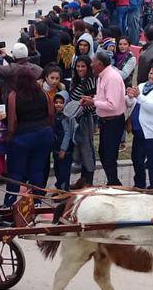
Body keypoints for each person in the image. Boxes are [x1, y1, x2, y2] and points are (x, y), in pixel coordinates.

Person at [2, 67, 54, 206]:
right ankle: (37, 201)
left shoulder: (14, 96)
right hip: (43, 135)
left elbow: (12, 120)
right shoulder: (43, 93)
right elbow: (50, 113)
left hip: (22, 138)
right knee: (37, 170)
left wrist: (10, 136)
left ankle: (11, 201)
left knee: (16, 172)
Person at [81, 49, 126, 186]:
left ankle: (115, 184)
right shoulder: (102, 76)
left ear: (100, 63)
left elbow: (112, 104)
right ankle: (113, 182)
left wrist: (93, 102)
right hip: (106, 122)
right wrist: (93, 98)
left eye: (93, 62)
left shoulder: (111, 78)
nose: (91, 65)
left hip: (113, 122)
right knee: (104, 153)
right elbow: (104, 98)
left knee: (109, 156)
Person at [69, 55, 97, 184]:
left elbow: (93, 105)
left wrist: (79, 110)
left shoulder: (91, 81)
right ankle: (83, 179)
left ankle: (88, 181)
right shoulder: (76, 80)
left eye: (83, 66)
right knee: (79, 149)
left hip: (84, 120)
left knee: (86, 150)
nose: (80, 69)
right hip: (75, 120)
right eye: (78, 66)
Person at [51, 92, 75, 190]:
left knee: (64, 171)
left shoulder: (66, 117)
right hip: (56, 147)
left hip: (64, 149)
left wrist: (63, 149)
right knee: (57, 169)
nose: (58, 104)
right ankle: (59, 186)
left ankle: (64, 189)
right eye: (56, 102)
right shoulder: (55, 115)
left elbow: (67, 133)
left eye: (61, 102)